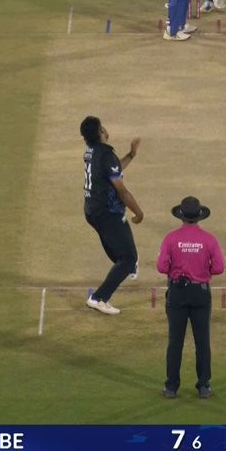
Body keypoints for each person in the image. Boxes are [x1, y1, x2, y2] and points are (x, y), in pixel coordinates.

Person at [156, 196, 224, 399]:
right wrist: (204, 272)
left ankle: (171, 387)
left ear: (181, 216)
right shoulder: (209, 239)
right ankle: (203, 386)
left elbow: (161, 266)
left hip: (177, 293)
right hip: (200, 293)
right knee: (202, 341)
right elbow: (219, 267)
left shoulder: (171, 238)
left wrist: (175, 271)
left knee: (175, 341)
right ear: (199, 216)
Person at [80, 116, 144, 315]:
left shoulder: (91, 151)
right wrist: (139, 212)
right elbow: (122, 192)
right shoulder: (106, 154)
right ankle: (98, 298)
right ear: (101, 132)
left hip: (92, 210)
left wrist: (131, 154)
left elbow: (113, 168)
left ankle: (129, 267)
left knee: (125, 253)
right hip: (106, 212)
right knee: (127, 258)